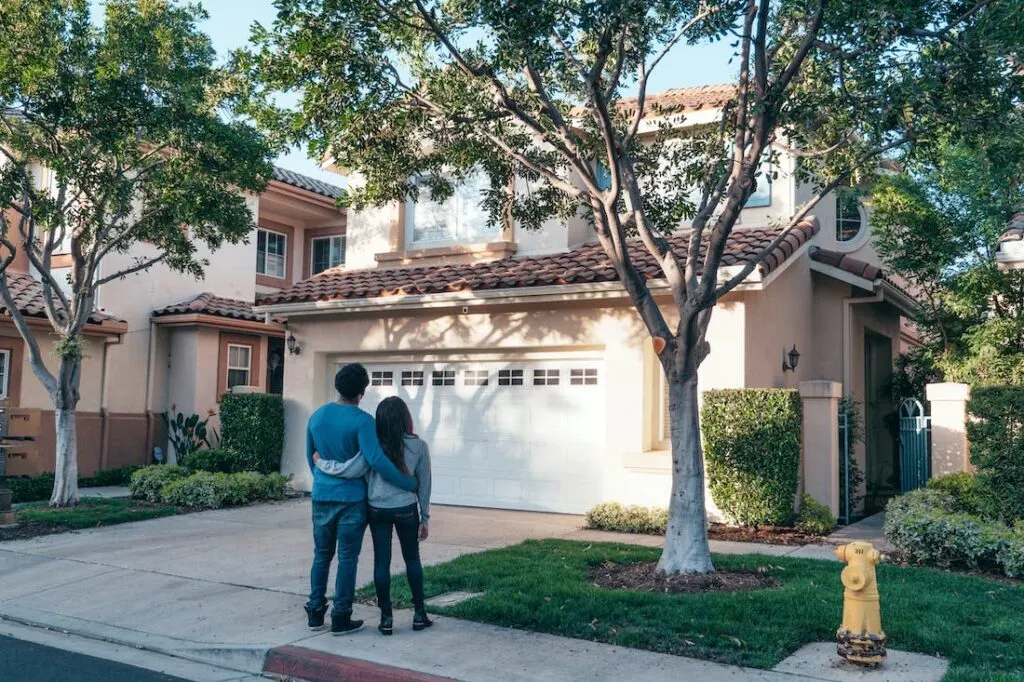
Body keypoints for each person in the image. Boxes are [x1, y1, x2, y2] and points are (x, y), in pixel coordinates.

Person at [305, 364, 417, 636]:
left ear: (338, 387)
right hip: (352, 500)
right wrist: (409, 483)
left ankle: (315, 612)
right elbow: (377, 460)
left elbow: (312, 458)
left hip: (322, 496)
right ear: (361, 392)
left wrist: (325, 483)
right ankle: (341, 616)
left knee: (321, 555)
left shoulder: (317, 417)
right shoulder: (363, 421)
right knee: (347, 558)